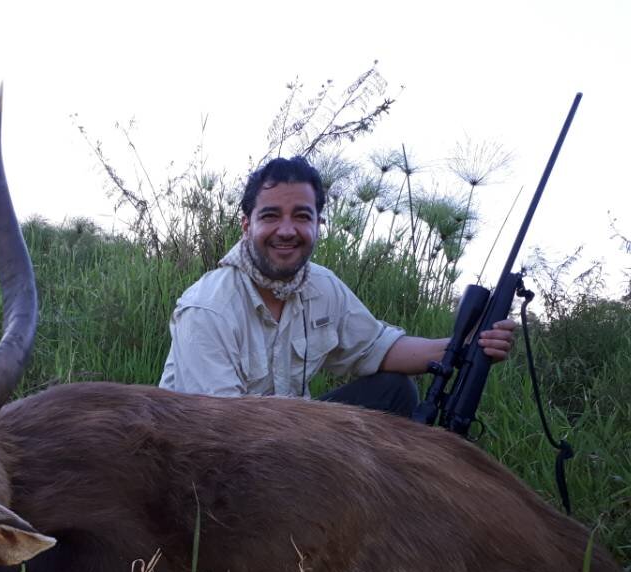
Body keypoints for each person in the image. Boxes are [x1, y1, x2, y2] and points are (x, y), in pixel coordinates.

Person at [158, 157, 517, 417]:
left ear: (317, 225)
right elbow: (221, 432)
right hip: (213, 459)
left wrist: (466, 345)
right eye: (270, 216)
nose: (287, 230)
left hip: (289, 438)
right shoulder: (207, 309)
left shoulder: (322, 286)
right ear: (246, 225)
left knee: (394, 392)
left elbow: (379, 348)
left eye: (302, 216)